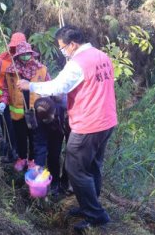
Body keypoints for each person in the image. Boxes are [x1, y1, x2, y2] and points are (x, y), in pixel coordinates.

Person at [18, 25, 117, 233]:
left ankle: (95, 215)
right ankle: (89, 205)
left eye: (63, 47)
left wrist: (30, 86)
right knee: (93, 166)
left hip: (89, 124)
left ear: (73, 44)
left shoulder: (77, 64)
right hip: (107, 120)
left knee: (75, 169)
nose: (63, 51)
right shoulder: (101, 56)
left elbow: (57, 87)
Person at [1, 41, 50, 172]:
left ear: (31, 54)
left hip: (35, 111)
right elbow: (5, 89)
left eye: (27, 54)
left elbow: (49, 87)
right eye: (22, 54)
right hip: (17, 111)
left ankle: (32, 160)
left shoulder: (41, 69)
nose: (25, 57)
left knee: (34, 136)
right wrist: (3, 102)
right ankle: (21, 158)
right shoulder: (11, 71)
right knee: (20, 136)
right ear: (17, 55)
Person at [0, 32, 26, 162]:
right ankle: (7, 154)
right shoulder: (2, 60)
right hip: (1, 101)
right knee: (7, 128)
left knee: (17, 129)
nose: (15, 50)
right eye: (14, 47)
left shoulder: (25, 60)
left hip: (18, 103)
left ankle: (15, 154)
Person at [33, 96, 71, 197]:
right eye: (44, 120)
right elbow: (40, 142)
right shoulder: (39, 115)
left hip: (71, 125)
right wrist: (39, 164)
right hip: (55, 130)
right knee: (53, 155)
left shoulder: (66, 106)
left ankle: (65, 182)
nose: (46, 120)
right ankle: (54, 183)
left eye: (48, 118)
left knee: (71, 154)